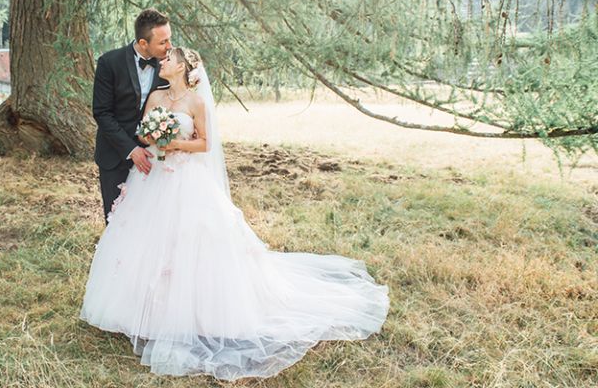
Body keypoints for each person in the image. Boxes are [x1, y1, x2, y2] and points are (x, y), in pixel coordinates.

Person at [80, 47, 389, 381]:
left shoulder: (196, 102)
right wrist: (153, 136)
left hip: (186, 177)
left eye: (169, 59)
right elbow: (141, 132)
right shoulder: (156, 96)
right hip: (154, 176)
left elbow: (205, 144)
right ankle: (139, 312)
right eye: (163, 58)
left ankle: (191, 314)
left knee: (194, 239)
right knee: (144, 237)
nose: (162, 62)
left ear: (183, 67)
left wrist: (175, 144)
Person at [92, 8, 172, 222]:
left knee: (150, 222)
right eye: (163, 42)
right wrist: (131, 149)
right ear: (143, 43)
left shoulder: (168, 67)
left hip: (153, 158)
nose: (169, 47)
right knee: (117, 220)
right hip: (115, 156)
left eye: (169, 39)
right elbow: (102, 113)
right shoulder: (109, 63)